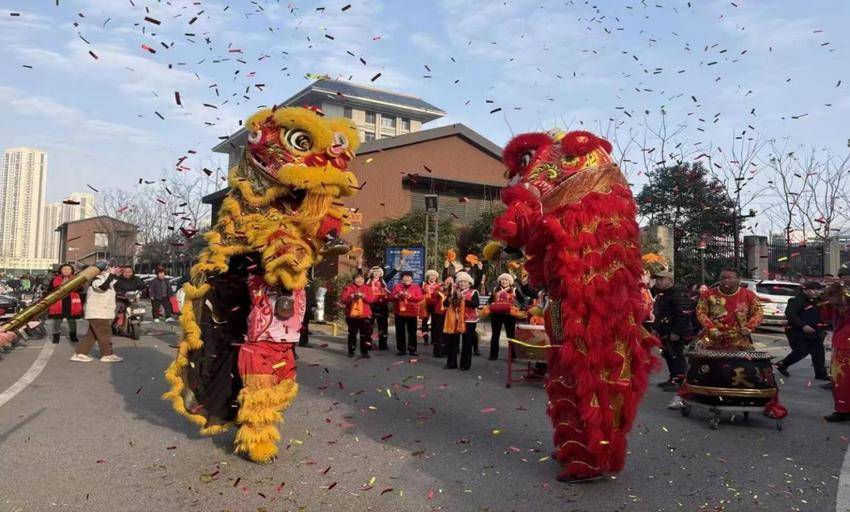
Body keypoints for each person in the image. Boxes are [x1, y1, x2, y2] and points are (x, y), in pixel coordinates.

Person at [696, 268, 763, 351]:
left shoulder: (749, 295)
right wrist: (711, 328)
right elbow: (701, 312)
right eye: (723, 278)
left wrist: (749, 327)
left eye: (730, 278)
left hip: (739, 340)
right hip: (712, 338)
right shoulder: (707, 294)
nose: (726, 280)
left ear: (739, 279)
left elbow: (758, 313)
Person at [651, 271, 695, 391]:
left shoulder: (678, 293)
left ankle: (680, 381)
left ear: (670, 280)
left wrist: (676, 332)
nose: (658, 282)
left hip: (677, 332)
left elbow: (684, 314)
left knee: (676, 355)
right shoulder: (663, 294)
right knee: (668, 355)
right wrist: (656, 328)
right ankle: (673, 378)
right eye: (657, 280)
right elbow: (660, 313)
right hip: (665, 330)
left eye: (661, 279)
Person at [775, 281, 828, 380]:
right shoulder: (796, 300)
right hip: (797, 331)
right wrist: (803, 326)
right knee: (801, 351)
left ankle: (821, 374)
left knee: (819, 353)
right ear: (805, 290)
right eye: (813, 289)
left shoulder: (818, 301)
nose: (816, 292)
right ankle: (782, 364)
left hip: (815, 331)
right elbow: (791, 315)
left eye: (818, 289)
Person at [70, 263, 122, 363]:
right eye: (107, 269)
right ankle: (107, 354)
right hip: (98, 312)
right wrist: (111, 275)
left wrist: (114, 275)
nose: (110, 270)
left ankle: (80, 353)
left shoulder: (105, 279)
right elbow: (103, 287)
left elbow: (110, 283)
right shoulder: (96, 280)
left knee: (92, 335)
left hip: (100, 312)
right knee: (104, 333)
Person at [822, 280, 850, 421]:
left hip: (845, 346)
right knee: (840, 380)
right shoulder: (835, 309)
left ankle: (843, 411)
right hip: (841, 345)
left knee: (842, 380)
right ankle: (843, 410)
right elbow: (824, 317)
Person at [360, 257, 401, 350]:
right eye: (374, 272)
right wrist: (359, 265)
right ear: (371, 273)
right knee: (368, 326)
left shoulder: (383, 281)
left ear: (380, 273)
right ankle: (368, 344)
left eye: (378, 272)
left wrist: (400, 265)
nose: (376, 274)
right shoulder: (367, 281)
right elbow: (360, 275)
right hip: (370, 305)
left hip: (382, 305)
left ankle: (383, 344)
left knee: (383, 326)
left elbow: (392, 273)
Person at [443, 271, 479, 371]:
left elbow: (475, 304)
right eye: (461, 282)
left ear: (469, 283)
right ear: (458, 283)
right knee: (452, 342)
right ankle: (451, 363)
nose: (463, 284)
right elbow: (445, 304)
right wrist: (450, 299)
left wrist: (464, 300)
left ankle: (465, 364)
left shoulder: (473, 292)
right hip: (454, 319)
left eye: (465, 282)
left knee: (467, 343)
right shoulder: (453, 291)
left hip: (469, 321)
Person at [47, 264, 84, 343]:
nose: (66, 271)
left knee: (72, 321)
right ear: (61, 270)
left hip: (71, 303)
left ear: (71, 271)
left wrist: (73, 286)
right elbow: (49, 290)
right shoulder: (55, 279)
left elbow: (81, 289)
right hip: (58, 303)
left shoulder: (76, 279)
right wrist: (60, 285)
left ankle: (73, 336)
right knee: (57, 321)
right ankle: (56, 338)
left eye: (68, 269)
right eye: (64, 269)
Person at [487, 273, 521, 361]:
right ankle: (493, 355)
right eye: (502, 280)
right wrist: (489, 305)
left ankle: (512, 356)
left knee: (510, 335)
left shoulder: (514, 290)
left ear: (510, 281)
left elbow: (522, 300)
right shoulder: (495, 289)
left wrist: (517, 307)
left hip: (509, 315)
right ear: (499, 281)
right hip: (496, 315)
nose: (504, 281)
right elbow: (490, 300)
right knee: (495, 335)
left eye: (506, 280)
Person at [341, 273, 374, 358]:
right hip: (352, 315)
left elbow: (371, 300)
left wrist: (363, 296)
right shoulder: (348, 287)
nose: (359, 280)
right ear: (354, 279)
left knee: (365, 335)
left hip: (365, 315)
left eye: (361, 279)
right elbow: (344, 300)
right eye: (357, 278)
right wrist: (351, 296)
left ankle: (365, 352)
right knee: (352, 334)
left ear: (364, 280)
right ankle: (351, 351)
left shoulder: (368, 288)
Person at [390, 271, 424, 356]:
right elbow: (391, 297)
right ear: (401, 279)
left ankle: (412, 349)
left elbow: (420, 298)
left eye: (409, 278)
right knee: (400, 331)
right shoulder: (397, 286)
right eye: (405, 277)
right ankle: (401, 349)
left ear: (412, 279)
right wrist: (397, 296)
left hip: (412, 312)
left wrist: (410, 297)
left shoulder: (416, 287)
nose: (407, 279)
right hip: (399, 313)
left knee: (412, 332)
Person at [430, 276, 452, 358]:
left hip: (449, 313)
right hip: (439, 312)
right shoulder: (439, 288)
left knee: (447, 332)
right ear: (444, 280)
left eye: (451, 280)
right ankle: (438, 351)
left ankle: (445, 350)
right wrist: (440, 290)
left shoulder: (453, 290)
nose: (449, 281)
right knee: (439, 332)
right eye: (448, 279)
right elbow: (434, 297)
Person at [420, 270, 441, 346]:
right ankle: (425, 339)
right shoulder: (423, 284)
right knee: (424, 322)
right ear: (428, 276)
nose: (432, 277)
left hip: (435, 305)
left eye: (434, 276)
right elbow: (419, 293)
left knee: (435, 322)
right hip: (425, 305)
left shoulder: (439, 285)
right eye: (431, 275)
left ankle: (434, 339)